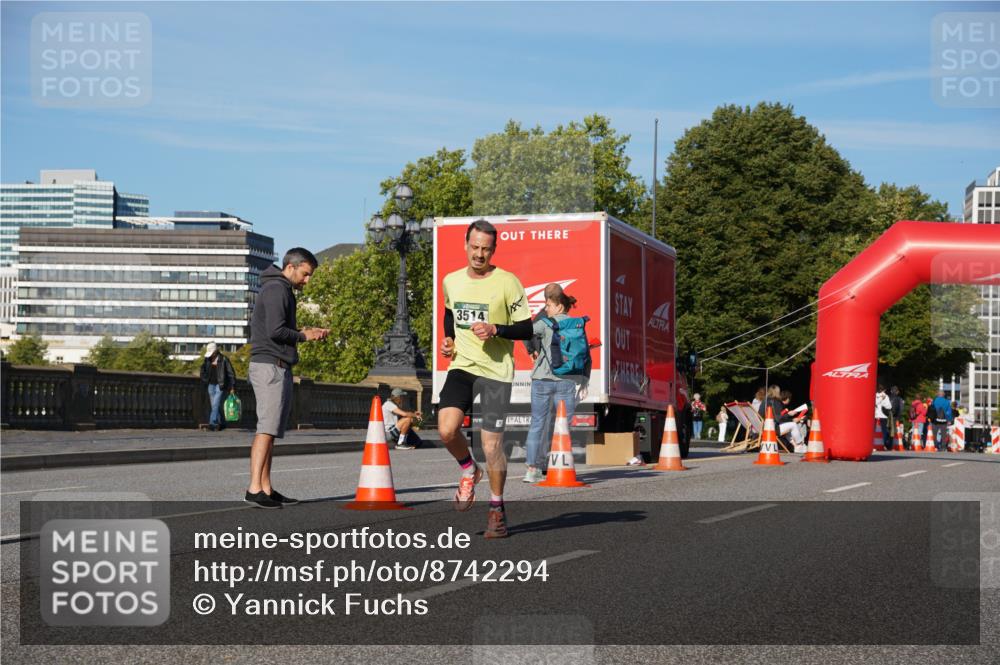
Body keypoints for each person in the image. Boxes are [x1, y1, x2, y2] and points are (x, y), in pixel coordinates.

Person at [437, 220, 533, 539]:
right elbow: (450, 314)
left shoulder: (507, 282)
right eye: (475, 247)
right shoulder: (451, 281)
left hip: (496, 372)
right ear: (466, 245)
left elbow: (526, 328)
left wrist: (496, 329)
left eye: (486, 249)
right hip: (463, 366)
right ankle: (469, 469)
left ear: (494, 250)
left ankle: (496, 508)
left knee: (491, 446)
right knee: (446, 429)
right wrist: (449, 339)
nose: (479, 254)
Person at [245, 248, 329, 509]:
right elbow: (275, 331)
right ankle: (254, 489)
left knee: (271, 431)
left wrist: (304, 331)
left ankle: (266, 488)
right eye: (305, 274)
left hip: (275, 365)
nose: (307, 280)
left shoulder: (279, 288)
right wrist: (304, 336)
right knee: (266, 429)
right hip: (270, 366)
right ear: (291, 267)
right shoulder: (276, 289)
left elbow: (280, 329)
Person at [522, 283, 591, 483]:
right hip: (566, 381)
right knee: (563, 426)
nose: (546, 309)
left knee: (537, 423)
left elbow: (524, 332)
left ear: (559, 306)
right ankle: (560, 464)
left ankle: (532, 469)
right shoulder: (578, 324)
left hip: (541, 380)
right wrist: (585, 380)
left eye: (548, 305)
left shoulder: (545, 324)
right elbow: (586, 354)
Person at [200, 342, 236, 431]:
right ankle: (222, 423)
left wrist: (232, 386)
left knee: (215, 404)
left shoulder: (224, 359)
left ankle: (212, 423)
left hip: (220, 385)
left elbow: (231, 373)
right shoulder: (207, 359)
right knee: (215, 405)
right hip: (210, 385)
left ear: (215, 351)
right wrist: (205, 379)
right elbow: (202, 370)